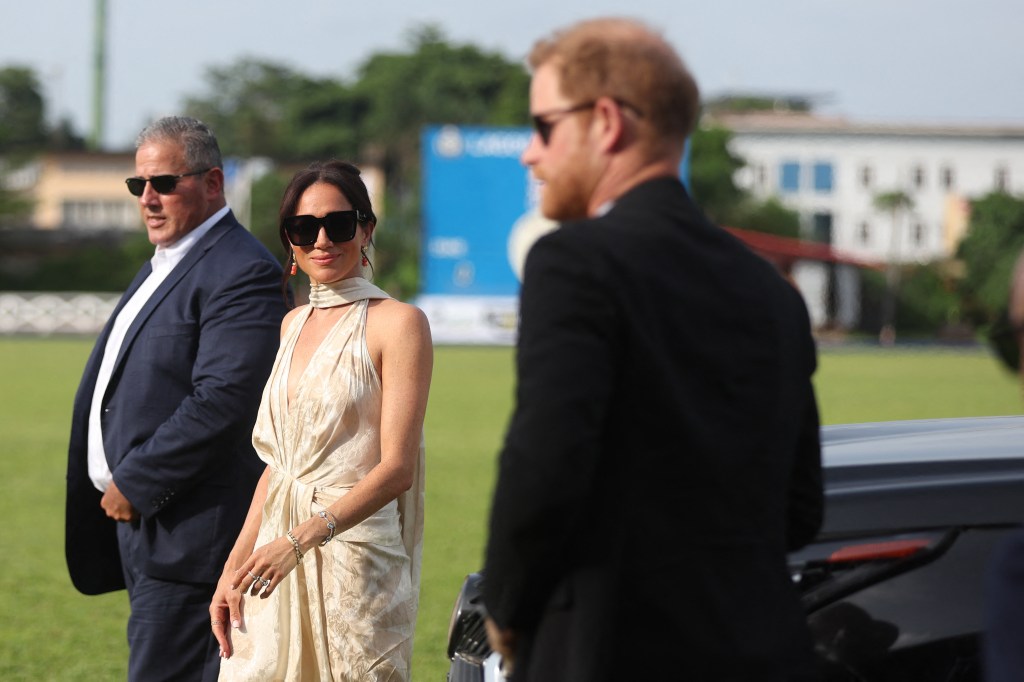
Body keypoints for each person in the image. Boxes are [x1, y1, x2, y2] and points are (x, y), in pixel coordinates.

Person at [482, 18, 824, 682]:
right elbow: (801, 508)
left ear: (605, 122)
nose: (531, 152)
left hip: (609, 649)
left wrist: (507, 606)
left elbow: (545, 465)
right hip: (765, 650)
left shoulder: (575, 264)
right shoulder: (772, 290)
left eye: (544, 126)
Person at [64, 115, 287, 680]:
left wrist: (137, 482)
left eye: (165, 182)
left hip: (193, 539)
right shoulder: (166, 263)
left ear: (213, 183)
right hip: (149, 531)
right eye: (138, 185)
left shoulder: (241, 271)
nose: (148, 198)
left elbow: (225, 400)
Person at [209, 160, 432, 681]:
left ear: (367, 228)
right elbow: (278, 466)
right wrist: (232, 569)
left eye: (340, 223)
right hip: (272, 559)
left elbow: (397, 468)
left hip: (354, 564)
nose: (322, 240)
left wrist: (300, 539)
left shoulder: (399, 324)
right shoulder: (291, 323)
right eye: (304, 228)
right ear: (289, 239)